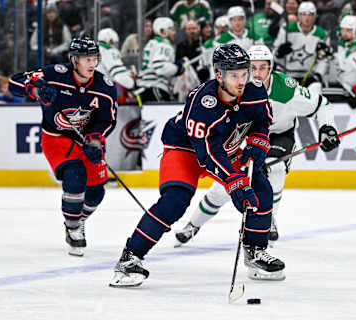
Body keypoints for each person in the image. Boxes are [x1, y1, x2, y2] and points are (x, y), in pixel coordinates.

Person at [109, 44, 285, 287]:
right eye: (234, 75)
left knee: (261, 189)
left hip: (226, 148)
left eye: (244, 73)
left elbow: (261, 123)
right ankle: (130, 257)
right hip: (187, 149)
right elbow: (208, 154)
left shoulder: (255, 90)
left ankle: (255, 250)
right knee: (175, 201)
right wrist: (234, 182)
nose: (242, 80)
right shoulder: (203, 101)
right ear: (219, 75)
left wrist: (257, 146)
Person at [174, 44, 340, 247]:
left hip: (278, 135)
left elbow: (322, 104)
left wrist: (327, 128)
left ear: (272, 68)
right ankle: (193, 224)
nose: (258, 73)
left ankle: (268, 221)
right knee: (224, 186)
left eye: (263, 67)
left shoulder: (286, 88)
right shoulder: (239, 87)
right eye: (253, 68)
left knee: (275, 170)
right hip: (245, 138)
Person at [8, 37, 117, 256]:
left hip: (86, 140)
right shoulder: (54, 74)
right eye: (86, 59)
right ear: (73, 60)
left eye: (94, 58)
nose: (91, 64)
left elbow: (108, 120)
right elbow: (14, 83)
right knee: (75, 176)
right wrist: (36, 91)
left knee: (96, 192)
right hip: (57, 138)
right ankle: (73, 228)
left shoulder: (105, 87)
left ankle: (78, 219)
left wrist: (95, 140)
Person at [273, 1, 331, 87]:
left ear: (315, 16)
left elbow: (325, 59)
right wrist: (279, 54)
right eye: (303, 14)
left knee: (316, 89)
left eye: (310, 14)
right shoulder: (286, 29)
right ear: (299, 16)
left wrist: (318, 75)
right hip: (288, 75)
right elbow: (274, 55)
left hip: (310, 77)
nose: (307, 18)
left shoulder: (322, 34)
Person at [136, 17, 185, 102]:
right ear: (163, 31)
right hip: (156, 87)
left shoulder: (152, 43)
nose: (175, 32)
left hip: (144, 87)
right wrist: (177, 68)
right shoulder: (164, 45)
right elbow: (160, 67)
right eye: (172, 30)